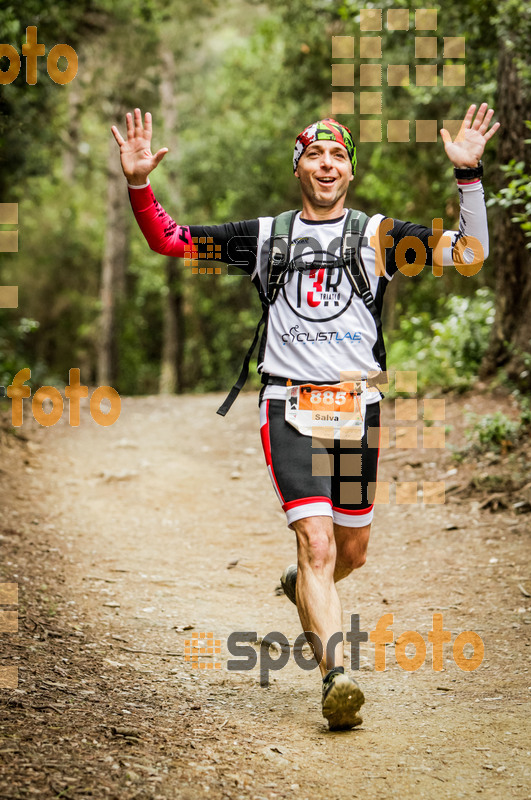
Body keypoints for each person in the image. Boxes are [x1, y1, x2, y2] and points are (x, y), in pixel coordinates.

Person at [111, 105, 499, 730]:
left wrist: (469, 174)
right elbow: (170, 240)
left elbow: (471, 253)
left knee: (352, 551)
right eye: (315, 156)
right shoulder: (266, 237)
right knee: (316, 543)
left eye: (338, 156)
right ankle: (336, 677)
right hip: (289, 407)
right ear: (299, 168)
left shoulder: (378, 236)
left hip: (357, 409)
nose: (327, 164)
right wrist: (138, 183)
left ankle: (304, 585)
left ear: (350, 170)